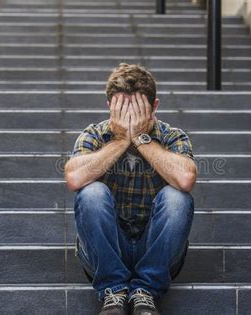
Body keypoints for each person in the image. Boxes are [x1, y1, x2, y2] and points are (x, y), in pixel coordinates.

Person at [64, 63, 197, 315]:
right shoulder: (94, 134)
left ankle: (146, 290)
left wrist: (140, 138)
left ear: (154, 107)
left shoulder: (172, 136)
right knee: (91, 192)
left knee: (177, 197)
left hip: (157, 250)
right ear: (109, 107)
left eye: (135, 110)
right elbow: (74, 178)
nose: (128, 118)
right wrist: (121, 140)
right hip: (106, 251)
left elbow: (185, 179)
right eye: (121, 109)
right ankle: (113, 289)